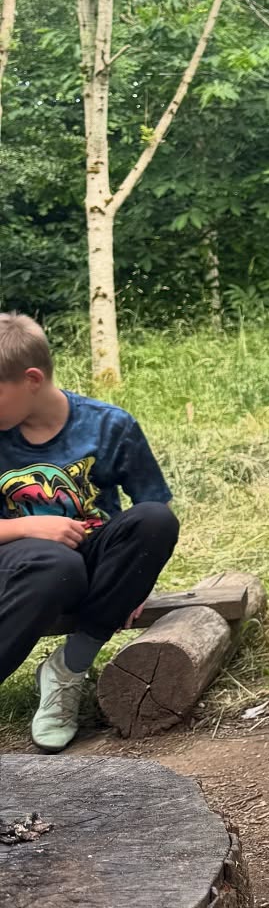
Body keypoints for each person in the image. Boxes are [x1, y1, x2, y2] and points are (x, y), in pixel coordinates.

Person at [0, 312, 179, 751]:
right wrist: (26, 526)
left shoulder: (109, 426)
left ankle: (69, 667)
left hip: (91, 562)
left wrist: (135, 579)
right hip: (21, 568)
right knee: (54, 563)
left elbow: (152, 508)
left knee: (157, 520)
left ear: (32, 379)